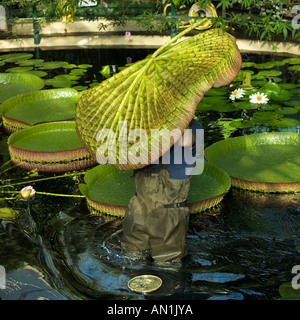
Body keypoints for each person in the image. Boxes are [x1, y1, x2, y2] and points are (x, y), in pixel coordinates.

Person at [121, 118, 202, 262]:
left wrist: (178, 115)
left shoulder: (193, 126)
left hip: (169, 215)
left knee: (167, 264)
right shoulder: (143, 127)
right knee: (132, 258)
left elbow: (186, 141)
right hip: (139, 208)